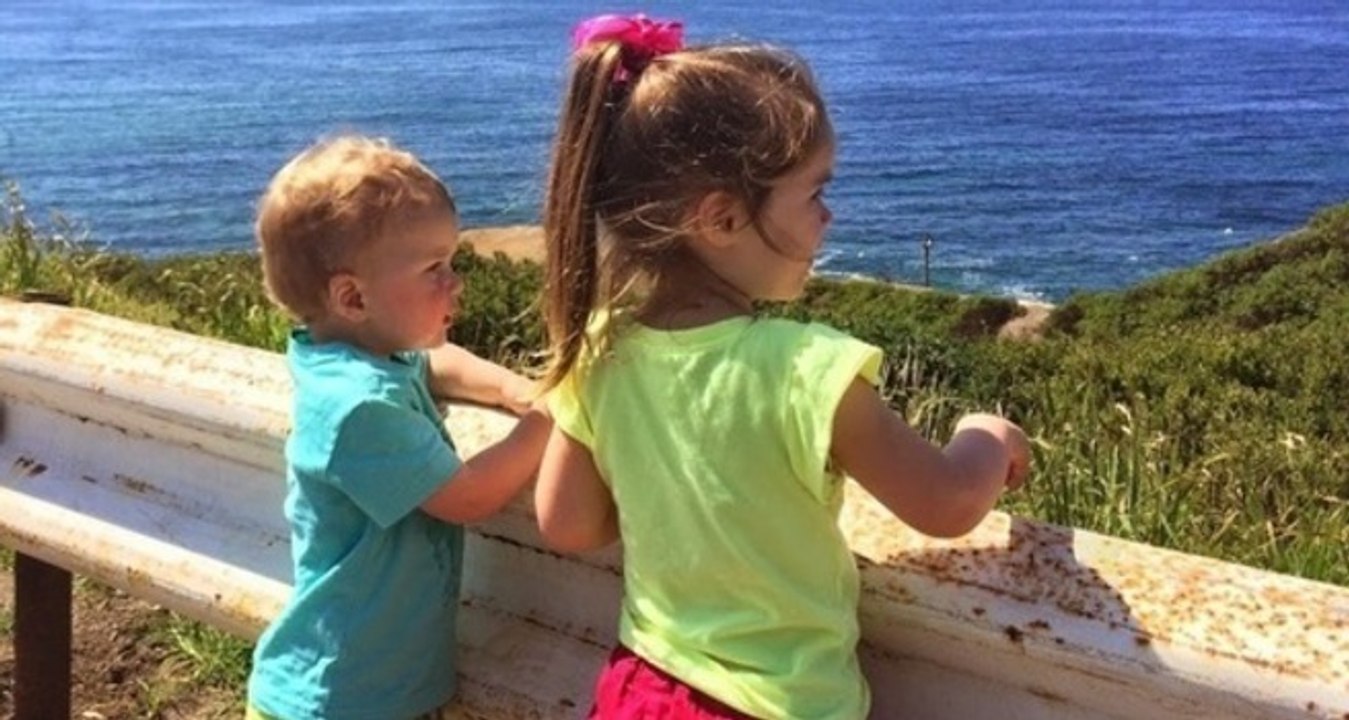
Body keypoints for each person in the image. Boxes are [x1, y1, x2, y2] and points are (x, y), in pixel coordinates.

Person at [533, 15, 1031, 720]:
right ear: (722, 220)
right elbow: (945, 504)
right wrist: (987, 435)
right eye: (814, 193)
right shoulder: (804, 368)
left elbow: (567, 523)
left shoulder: (602, 346)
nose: (827, 218)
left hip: (642, 690)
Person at [245, 135, 551, 720]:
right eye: (435, 268)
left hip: (378, 685)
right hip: (343, 697)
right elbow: (466, 497)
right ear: (352, 297)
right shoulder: (358, 406)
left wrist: (512, 388)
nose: (456, 283)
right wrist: (546, 421)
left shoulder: (363, 354)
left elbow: (438, 361)